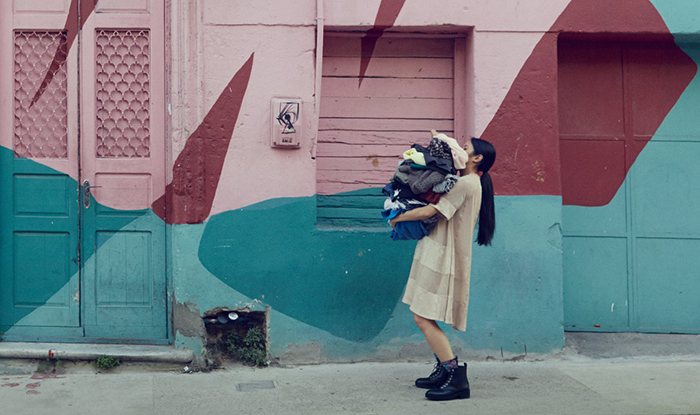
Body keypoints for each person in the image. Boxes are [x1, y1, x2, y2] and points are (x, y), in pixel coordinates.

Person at [389, 137, 496, 401]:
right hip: (438, 251)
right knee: (425, 313)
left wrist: (396, 217)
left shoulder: (466, 183)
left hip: (442, 256)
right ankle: (444, 369)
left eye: (466, 148)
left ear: (476, 158)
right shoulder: (467, 182)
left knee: (422, 316)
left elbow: (430, 211)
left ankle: (456, 377)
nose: (460, 150)